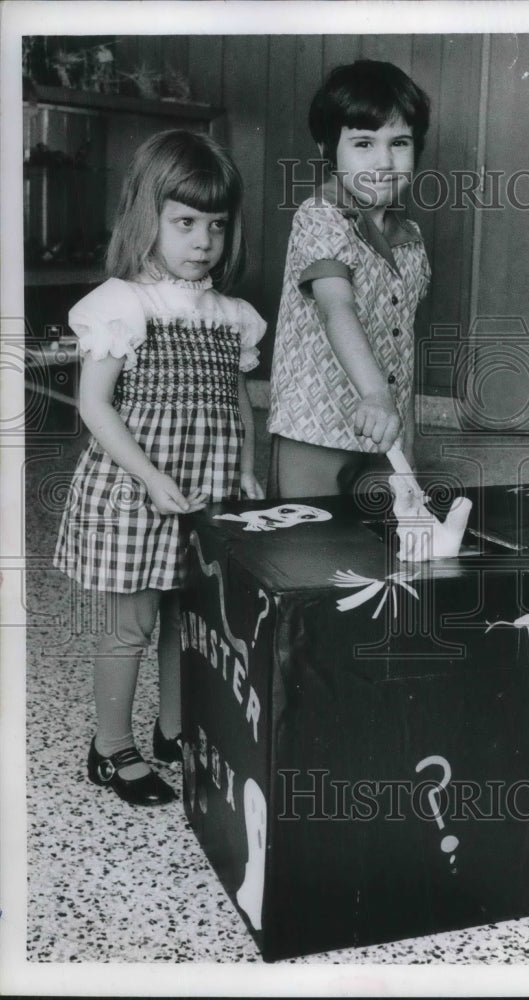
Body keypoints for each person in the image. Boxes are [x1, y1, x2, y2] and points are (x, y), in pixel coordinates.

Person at [54, 129, 266, 806]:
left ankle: (177, 730)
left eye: (215, 225)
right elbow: (93, 405)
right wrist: (149, 476)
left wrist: (251, 469)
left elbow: (238, 402)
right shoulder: (124, 305)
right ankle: (111, 748)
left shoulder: (230, 316)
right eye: (183, 223)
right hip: (133, 493)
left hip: (204, 492)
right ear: (148, 220)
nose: (202, 240)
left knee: (189, 617)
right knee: (130, 626)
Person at [268, 59, 431, 497]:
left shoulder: (411, 240)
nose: (383, 160)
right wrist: (376, 395)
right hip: (313, 426)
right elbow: (336, 307)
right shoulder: (320, 217)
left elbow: (403, 349)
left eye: (399, 142)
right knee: (305, 543)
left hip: (382, 431)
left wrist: (407, 440)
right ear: (328, 149)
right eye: (363, 143)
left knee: (382, 541)